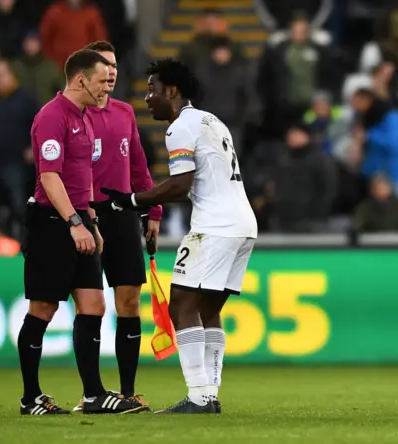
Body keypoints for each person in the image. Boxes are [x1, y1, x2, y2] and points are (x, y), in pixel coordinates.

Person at [95, 58, 258, 414]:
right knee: (207, 308)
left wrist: (132, 200)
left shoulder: (180, 127)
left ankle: (199, 396)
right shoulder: (210, 119)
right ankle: (209, 394)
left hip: (214, 226)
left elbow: (181, 185)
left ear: (172, 91)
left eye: (152, 90)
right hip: (243, 224)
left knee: (182, 304)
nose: (147, 98)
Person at [18, 48, 142, 415]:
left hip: (81, 221)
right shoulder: (51, 116)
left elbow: (82, 177)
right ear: (81, 79)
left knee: (94, 305)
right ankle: (30, 397)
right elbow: (49, 177)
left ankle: (93, 394)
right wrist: (74, 223)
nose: (107, 89)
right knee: (43, 306)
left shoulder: (86, 117)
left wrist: (91, 219)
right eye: (103, 82)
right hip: (51, 222)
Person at [71, 40, 161, 412]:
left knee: (128, 303)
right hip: (87, 213)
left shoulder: (125, 113)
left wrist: (152, 212)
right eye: (104, 65)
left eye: (114, 66)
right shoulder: (74, 114)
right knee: (90, 306)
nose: (110, 72)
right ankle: (91, 392)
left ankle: (127, 392)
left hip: (123, 214)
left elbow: (139, 166)